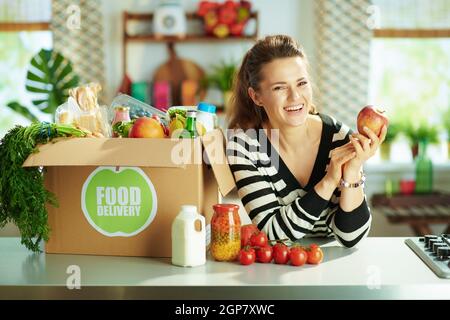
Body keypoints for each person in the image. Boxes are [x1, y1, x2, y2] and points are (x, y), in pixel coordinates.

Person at [226, 35, 386, 248]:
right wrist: (329, 181)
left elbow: (351, 238)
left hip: (333, 265)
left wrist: (352, 170)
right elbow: (273, 233)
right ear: (257, 97)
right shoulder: (245, 147)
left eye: (301, 83)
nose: (295, 97)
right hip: (276, 268)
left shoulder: (339, 138)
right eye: (279, 88)